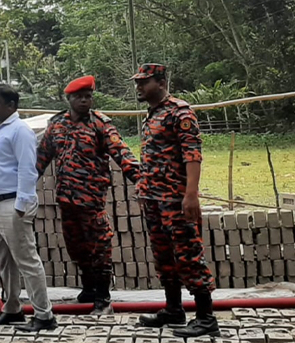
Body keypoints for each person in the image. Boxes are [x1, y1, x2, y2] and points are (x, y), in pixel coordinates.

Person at [36, 75, 139, 315]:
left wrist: (142, 180)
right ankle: (89, 288)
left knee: (99, 247)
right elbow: (40, 160)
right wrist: (21, 188)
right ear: (69, 98)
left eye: (88, 97)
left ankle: (103, 297)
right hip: (66, 201)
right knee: (76, 247)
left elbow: (122, 154)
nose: (85, 101)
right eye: (79, 97)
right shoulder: (57, 125)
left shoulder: (100, 124)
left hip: (91, 201)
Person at [132, 64, 220, 338]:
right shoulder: (153, 114)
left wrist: (191, 194)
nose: (138, 87)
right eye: (137, 82)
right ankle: (173, 309)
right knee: (164, 258)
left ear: (160, 82)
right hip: (155, 200)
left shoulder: (180, 112)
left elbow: (192, 155)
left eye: (143, 82)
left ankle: (206, 317)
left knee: (189, 256)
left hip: (175, 200)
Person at [0, 84, 57, 332]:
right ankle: (12, 309)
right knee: (4, 261)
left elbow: (27, 169)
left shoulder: (19, 131)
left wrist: (23, 203)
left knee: (26, 260)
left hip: (12, 204)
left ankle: (44, 315)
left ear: (11, 106)